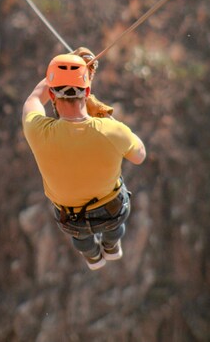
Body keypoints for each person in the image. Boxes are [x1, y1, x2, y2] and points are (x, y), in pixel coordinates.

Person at [22, 50, 146, 270]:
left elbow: (33, 98)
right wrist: (105, 117)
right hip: (111, 211)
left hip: (70, 217)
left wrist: (69, 62)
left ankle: (92, 256)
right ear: (87, 91)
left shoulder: (37, 131)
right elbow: (139, 156)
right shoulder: (111, 130)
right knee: (115, 227)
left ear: (52, 95)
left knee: (81, 238)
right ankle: (111, 245)